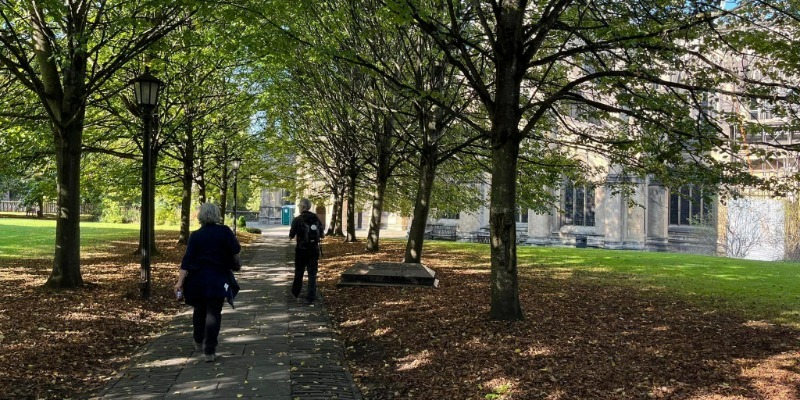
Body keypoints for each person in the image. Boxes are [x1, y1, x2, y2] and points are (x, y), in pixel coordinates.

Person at [174, 202, 241, 362]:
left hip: (198, 279)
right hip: (218, 279)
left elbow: (187, 259)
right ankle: (210, 350)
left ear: (201, 216)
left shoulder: (195, 235)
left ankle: (198, 339)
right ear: (216, 214)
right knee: (214, 313)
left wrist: (180, 281)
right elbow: (236, 249)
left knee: (199, 309)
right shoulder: (224, 231)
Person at [289, 198, 324, 304]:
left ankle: (296, 293)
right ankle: (311, 297)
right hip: (314, 250)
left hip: (301, 250)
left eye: (299, 206)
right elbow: (322, 235)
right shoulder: (316, 218)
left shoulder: (297, 219)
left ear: (303, 207)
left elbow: (291, 236)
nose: (299, 208)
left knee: (299, 272)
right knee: (312, 274)